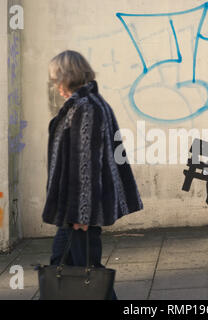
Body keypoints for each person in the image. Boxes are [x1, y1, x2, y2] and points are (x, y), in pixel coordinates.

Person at [43, 50, 143, 299]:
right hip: (71, 211)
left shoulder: (86, 108)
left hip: (78, 212)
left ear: (68, 77)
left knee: (89, 275)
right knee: (61, 269)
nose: (55, 85)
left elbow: (86, 165)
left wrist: (82, 213)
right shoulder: (86, 104)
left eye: (56, 79)